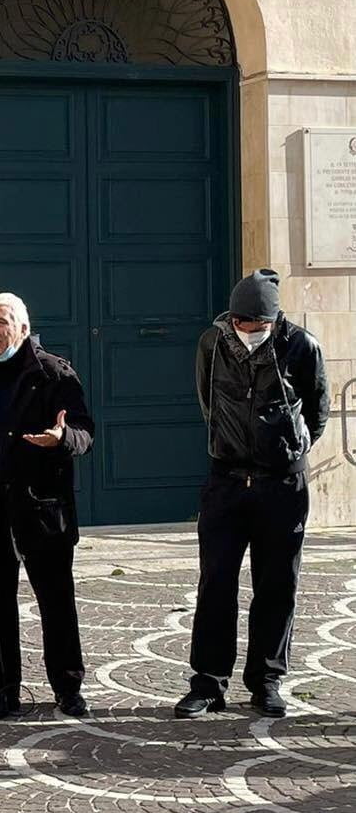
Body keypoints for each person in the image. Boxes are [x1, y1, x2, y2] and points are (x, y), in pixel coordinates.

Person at [176, 269, 329, 719]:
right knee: (216, 582)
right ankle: (208, 681)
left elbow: (317, 412)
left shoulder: (301, 346)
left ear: (273, 320)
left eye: (256, 325)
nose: (247, 332)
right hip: (226, 480)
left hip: (281, 484)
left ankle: (266, 680)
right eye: (240, 322)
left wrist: (287, 449)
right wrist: (230, 445)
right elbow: (207, 401)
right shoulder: (212, 342)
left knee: (277, 584)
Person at [0, 292, 92, 720]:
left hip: (43, 511)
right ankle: (4, 688)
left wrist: (62, 440)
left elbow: (84, 432)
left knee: (56, 602)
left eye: (1, 322)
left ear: (23, 328)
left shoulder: (52, 372)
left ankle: (68, 687)